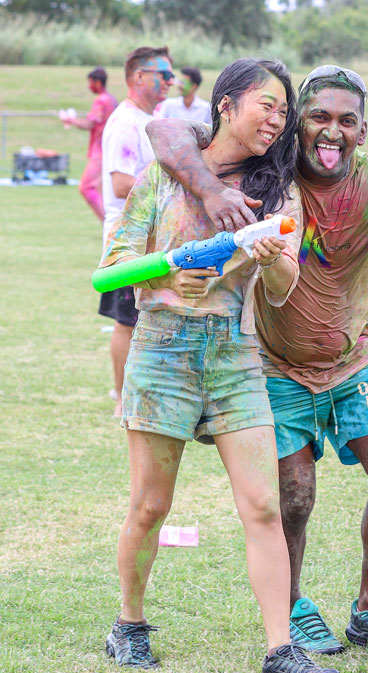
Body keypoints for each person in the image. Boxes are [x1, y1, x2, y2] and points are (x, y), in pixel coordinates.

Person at [146, 64, 368, 661]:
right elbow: (163, 131)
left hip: (355, 356)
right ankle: (297, 607)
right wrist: (210, 188)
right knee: (294, 491)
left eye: (347, 122)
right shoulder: (269, 171)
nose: (332, 132)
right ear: (297, 125)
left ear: (363, 130)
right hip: (276, 364)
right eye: (319, 118)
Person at [100, 57, 342, 673]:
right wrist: (162, 276)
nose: (278, 118)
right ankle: (129, 621)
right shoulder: (165, 178)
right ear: (227, 105)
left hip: (235, 356)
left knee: (263, 505)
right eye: (267, 103)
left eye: (284, 110)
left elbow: (287, 287)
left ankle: (280, 652)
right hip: (163, 353)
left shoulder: (277, 191)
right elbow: (116, 261)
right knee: (150, 506)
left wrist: (271, 260)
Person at [100, 46, 174, 417]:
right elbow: (119, 184)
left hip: (154, 242)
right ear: (139, 76)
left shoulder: (154, 118)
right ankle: (121, 397)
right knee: (127, 322)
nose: (170, 81)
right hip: (127, 246)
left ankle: (145, 394)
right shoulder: (125, 124)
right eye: (163, 74)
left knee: (150, 320)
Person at [61, 67, 117, 221]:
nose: (89, 86)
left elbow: (90, 124)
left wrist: (70, 120)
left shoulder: (101, 100)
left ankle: (109, 223)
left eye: (90, 83)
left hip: (100, 151)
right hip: (109, 149)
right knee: (102, 190)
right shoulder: (111, 99)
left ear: (98, 83)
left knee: (86, 187)